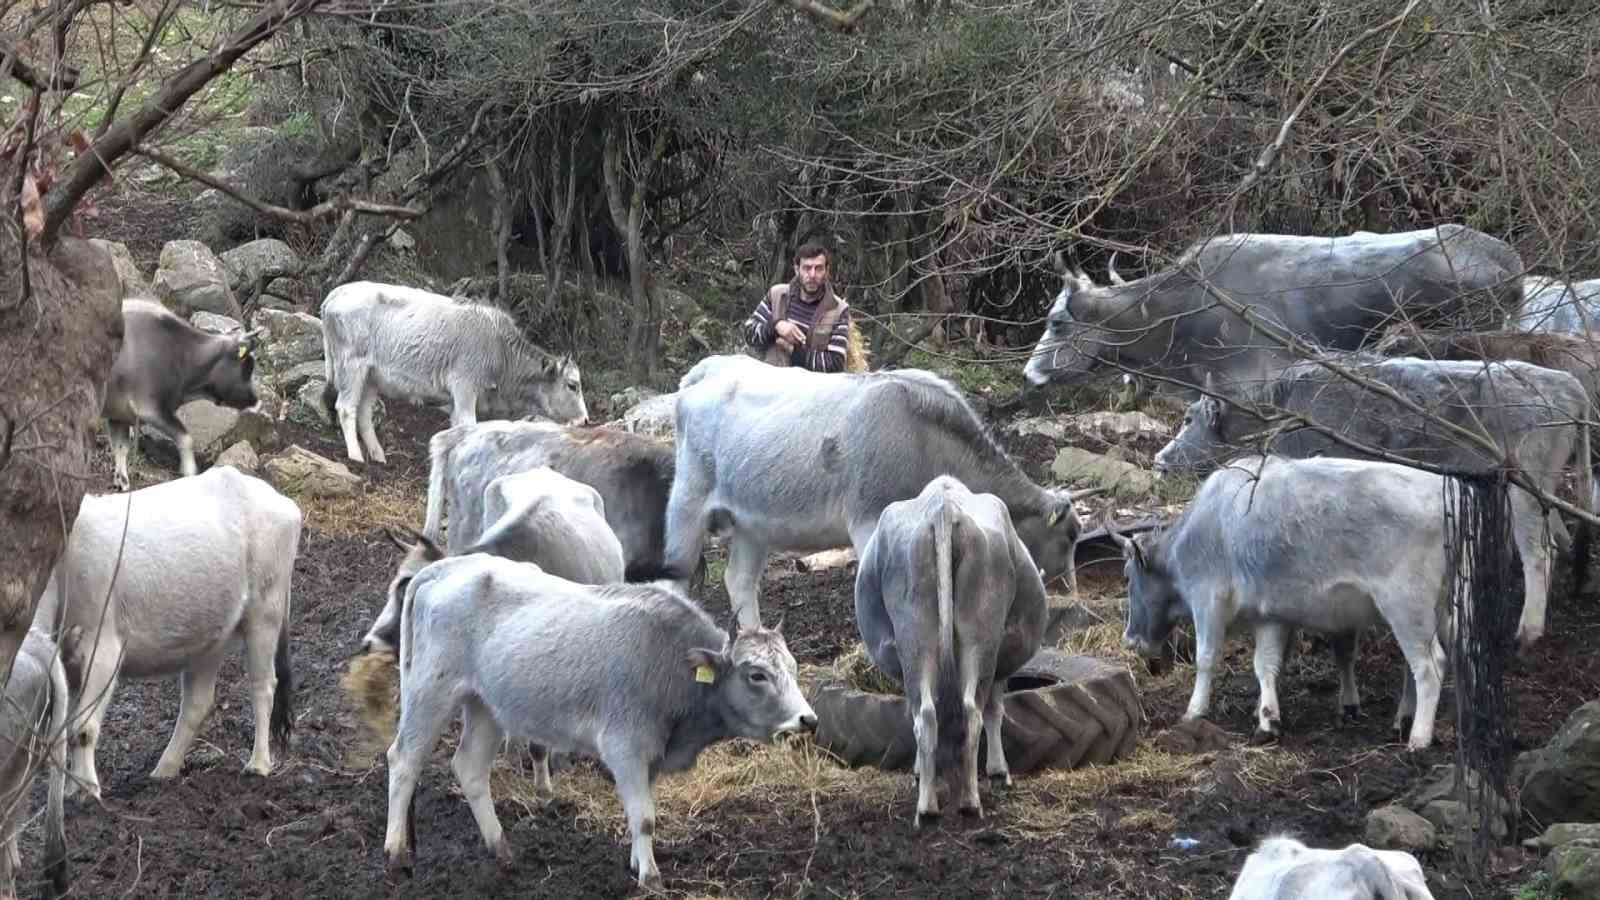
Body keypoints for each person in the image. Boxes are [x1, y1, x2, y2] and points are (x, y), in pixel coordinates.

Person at [743, 241, 853, 373]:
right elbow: (749, 334)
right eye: (807, 268)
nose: (812, 275)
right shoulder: (777, 295)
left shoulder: (838, 310)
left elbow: (835, 365)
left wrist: (793, 351)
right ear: (797, 269)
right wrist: (776, 327)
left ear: (827, 271)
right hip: (767, 384)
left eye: (818, 268)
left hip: (810, 391)